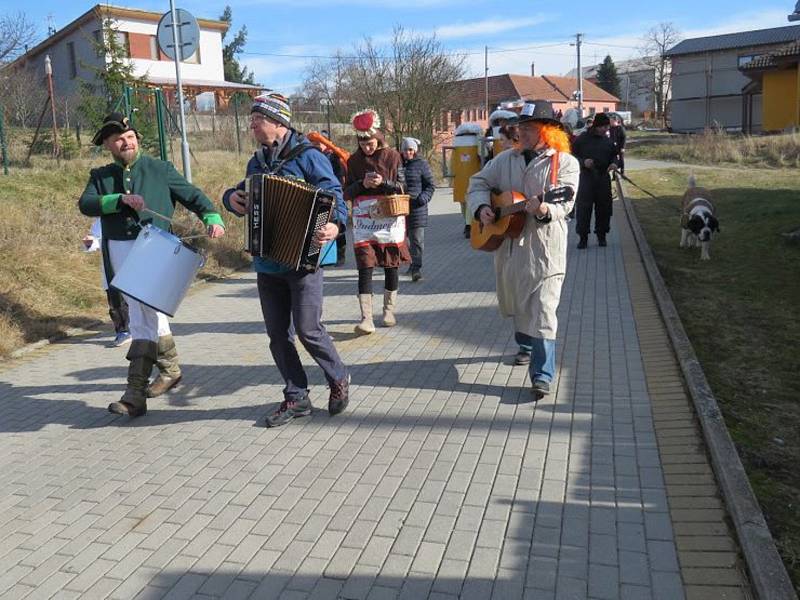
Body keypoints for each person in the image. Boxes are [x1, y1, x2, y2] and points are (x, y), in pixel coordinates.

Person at [78, 113, 225, 418]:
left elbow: (193, 196)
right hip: (120, 250)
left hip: (156, 249)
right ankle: (167, 373)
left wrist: (211, 216)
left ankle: (135, 394)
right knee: (145, 314)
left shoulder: (159, 169)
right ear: (108, 144)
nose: (126, 142)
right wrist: (118, 199)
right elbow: (86, 204)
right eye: (118, 138)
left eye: (130, 137)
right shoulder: (101, 176)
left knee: (145, 317)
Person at [222, 93, 350, 427]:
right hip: (268, 262)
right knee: (278, 335)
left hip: (304, 259)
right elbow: (240, 193)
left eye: (257, 119)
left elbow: (336, 198)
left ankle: (338, 377)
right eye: (251, 120)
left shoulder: (308, 156)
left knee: (309, 330)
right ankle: (296, 396)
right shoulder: (256, 162)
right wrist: (230, 198)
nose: (251, 125)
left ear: (278, 123)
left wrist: (335, 225)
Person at [467, 100, 579, 399]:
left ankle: (542, 375)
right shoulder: (506, 159)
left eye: (530, 128)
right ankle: (526, 344)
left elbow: (565, 203)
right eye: (522, 128)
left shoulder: (565, 164)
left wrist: (544, 208)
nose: (523, 133)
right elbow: (478, 181)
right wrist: (481, 209)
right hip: (511, 249)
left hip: (545, 249)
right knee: (516, 302)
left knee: (543, 309)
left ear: (548, 131)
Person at [345, 109, 409, 333]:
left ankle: (389, 310)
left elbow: (404, 187)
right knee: (365, 266)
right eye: (362, 144)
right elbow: (347, 192)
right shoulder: (353, 161)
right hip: (364, 223)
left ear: (378, 139)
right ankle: (366, 318)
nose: (367, 148)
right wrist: (363, 184)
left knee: (391, 265)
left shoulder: (393, 156)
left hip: (389, 221)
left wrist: (384, 183)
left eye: (370, 143)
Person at [572, 112, 619, 249]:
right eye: (603, 127)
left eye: (607, 127)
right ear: (596, 126)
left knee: (604, 209)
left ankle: (602, 235)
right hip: (586, 178)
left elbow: (614, 156)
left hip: (603, 178)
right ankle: (583, 237)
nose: (606, 130)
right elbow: (572, 156)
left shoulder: (607, 141)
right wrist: (583, 162)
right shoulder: (582, 139)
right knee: (583, 209)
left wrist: (614, 164)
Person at [82, 218, 131, 347]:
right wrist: (89, 242)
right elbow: (95, 240)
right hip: (110, 265)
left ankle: (140, 329)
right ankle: (123, 331)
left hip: (130, 263)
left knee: (134, 300)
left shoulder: (132, 216)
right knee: (115, 300)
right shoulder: (101, 220)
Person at [400, 137, 435, 282]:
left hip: (417, 209)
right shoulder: (399, 165)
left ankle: (416, 269)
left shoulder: (421, 164)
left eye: (410, 149)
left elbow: (431, 185)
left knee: (416, 240)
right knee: (403, 239)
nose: (408, 152)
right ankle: (411, 263)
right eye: (405, 150)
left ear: (415, 150)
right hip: (401, 208)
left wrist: (422, 198)